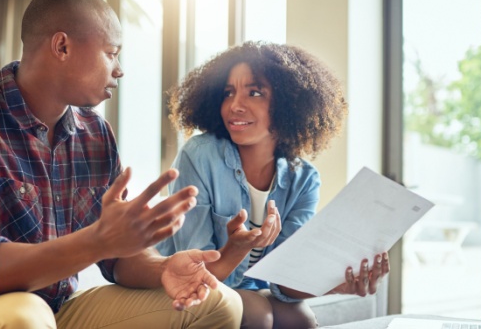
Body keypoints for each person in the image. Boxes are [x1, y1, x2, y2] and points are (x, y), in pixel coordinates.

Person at [0, 0, 241, 329]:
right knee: (24, 316)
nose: (119, 69)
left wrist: (163, 267)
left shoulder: (96, 133)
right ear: (62, 46)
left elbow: (118, 258)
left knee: (219, 303)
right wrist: (96, 240)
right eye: (111, 52)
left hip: (57, 310)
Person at [156, 41, 390, 329]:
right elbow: (199, 271)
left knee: (298, 316)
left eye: (254, 93)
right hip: (186, 284)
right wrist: (237, 249)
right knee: (257, 311)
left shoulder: (303, 179)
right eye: (228, 93)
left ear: (289, 104)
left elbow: (284, 282)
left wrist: (336, 284)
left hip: (248, 290)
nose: (235, 105)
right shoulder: (199, 155)